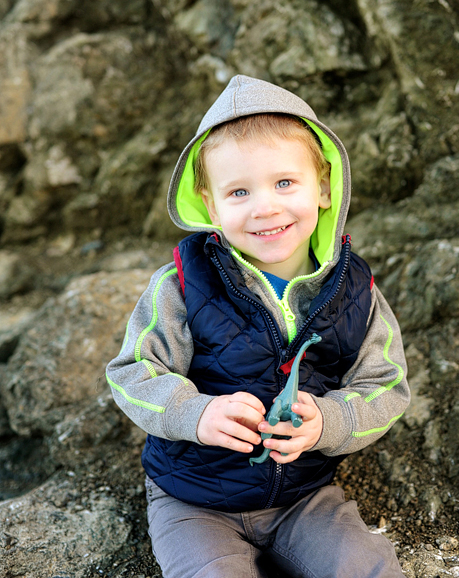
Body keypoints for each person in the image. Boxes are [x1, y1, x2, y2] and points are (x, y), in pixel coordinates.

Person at [106, 75, 410, 578]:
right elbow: (131, 372)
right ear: (210, 205)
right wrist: (195, 413)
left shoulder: (355, 291)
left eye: (285, 182)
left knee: (369, 569)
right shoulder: (182, 285)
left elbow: (389, 387)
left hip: (304, 496)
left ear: (325, 187)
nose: (265, 206)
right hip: (192, 498)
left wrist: (329, 422)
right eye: (239, 191)